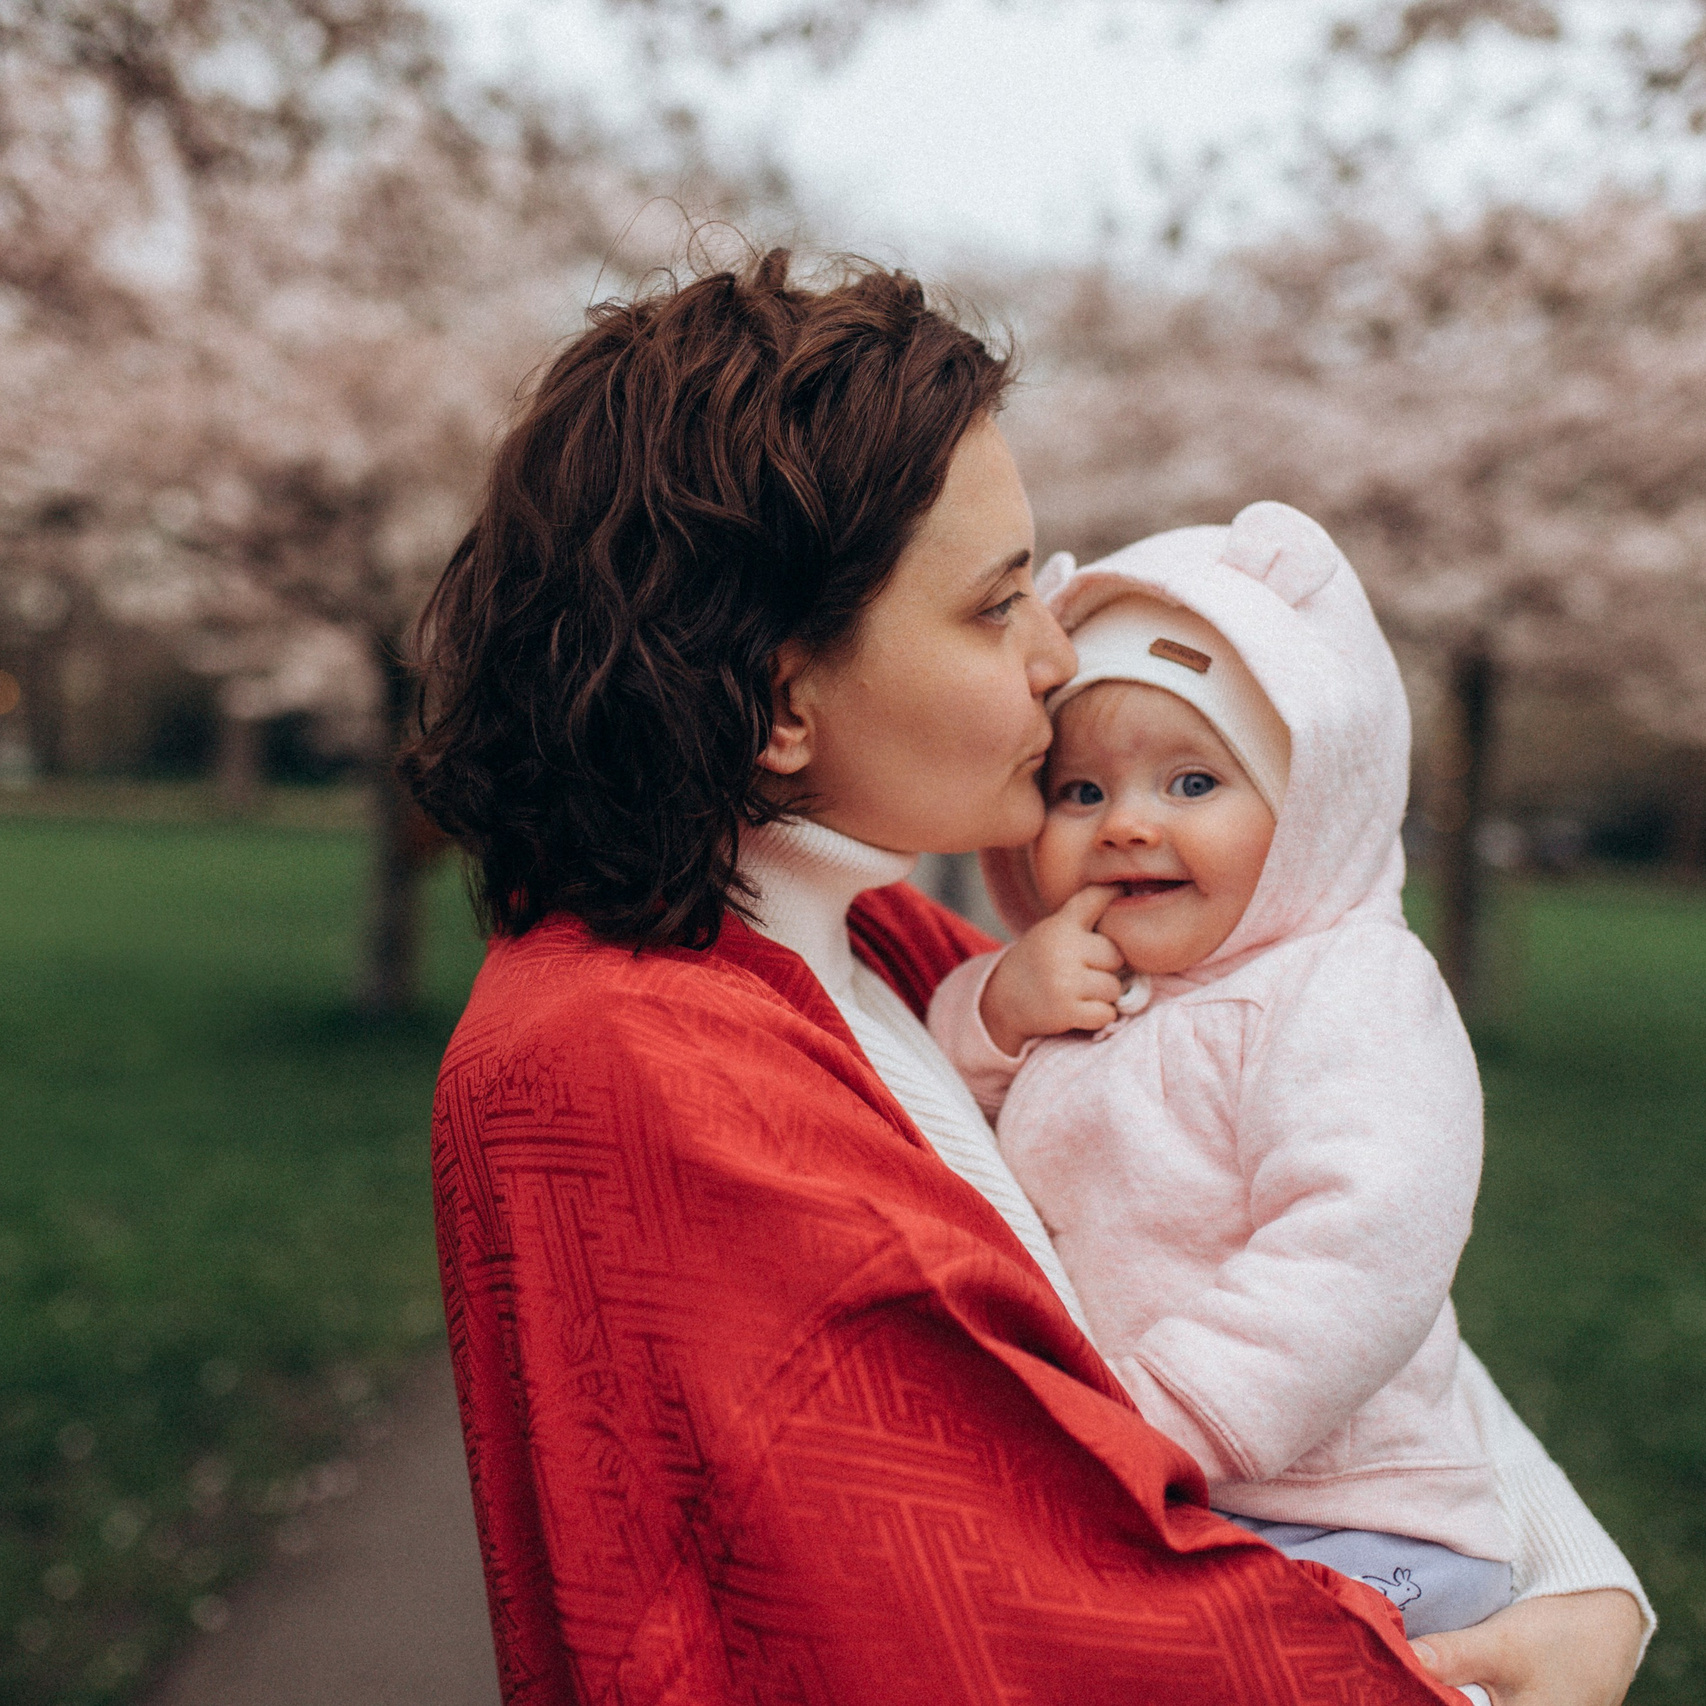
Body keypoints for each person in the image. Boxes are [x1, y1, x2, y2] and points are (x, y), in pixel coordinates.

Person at [402, 249, 1649, 1704]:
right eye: (997, 607)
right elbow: (1013, 1603)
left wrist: (1575, 1579)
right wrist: (1493, 1686)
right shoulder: (630, 1063)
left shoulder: (881, 956)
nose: (1058, 657)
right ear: (781, 699)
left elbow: (1349, 1270)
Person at [928, 503, 1514, 1640]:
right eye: (1079, 791)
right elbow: (944, 1111)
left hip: (1353, 1519)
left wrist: (1166, 1415)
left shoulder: (1346, 988)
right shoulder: (1070, 977)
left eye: (1191, 784)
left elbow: (1361, 1239)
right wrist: (999, 1010)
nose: (1126, 825)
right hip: (1169, 1486)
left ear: (1305, 807)